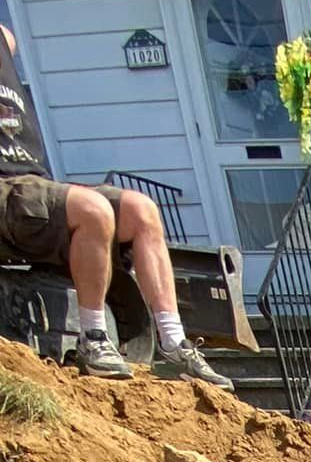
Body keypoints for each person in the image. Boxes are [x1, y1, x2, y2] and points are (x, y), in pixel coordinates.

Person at [0, 23, 231, 386]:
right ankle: (93, 339)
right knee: (92, 211)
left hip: (33, 181)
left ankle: (174, 343)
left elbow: (7, 37)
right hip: (4, 189)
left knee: (142, 211)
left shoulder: (3, 39)